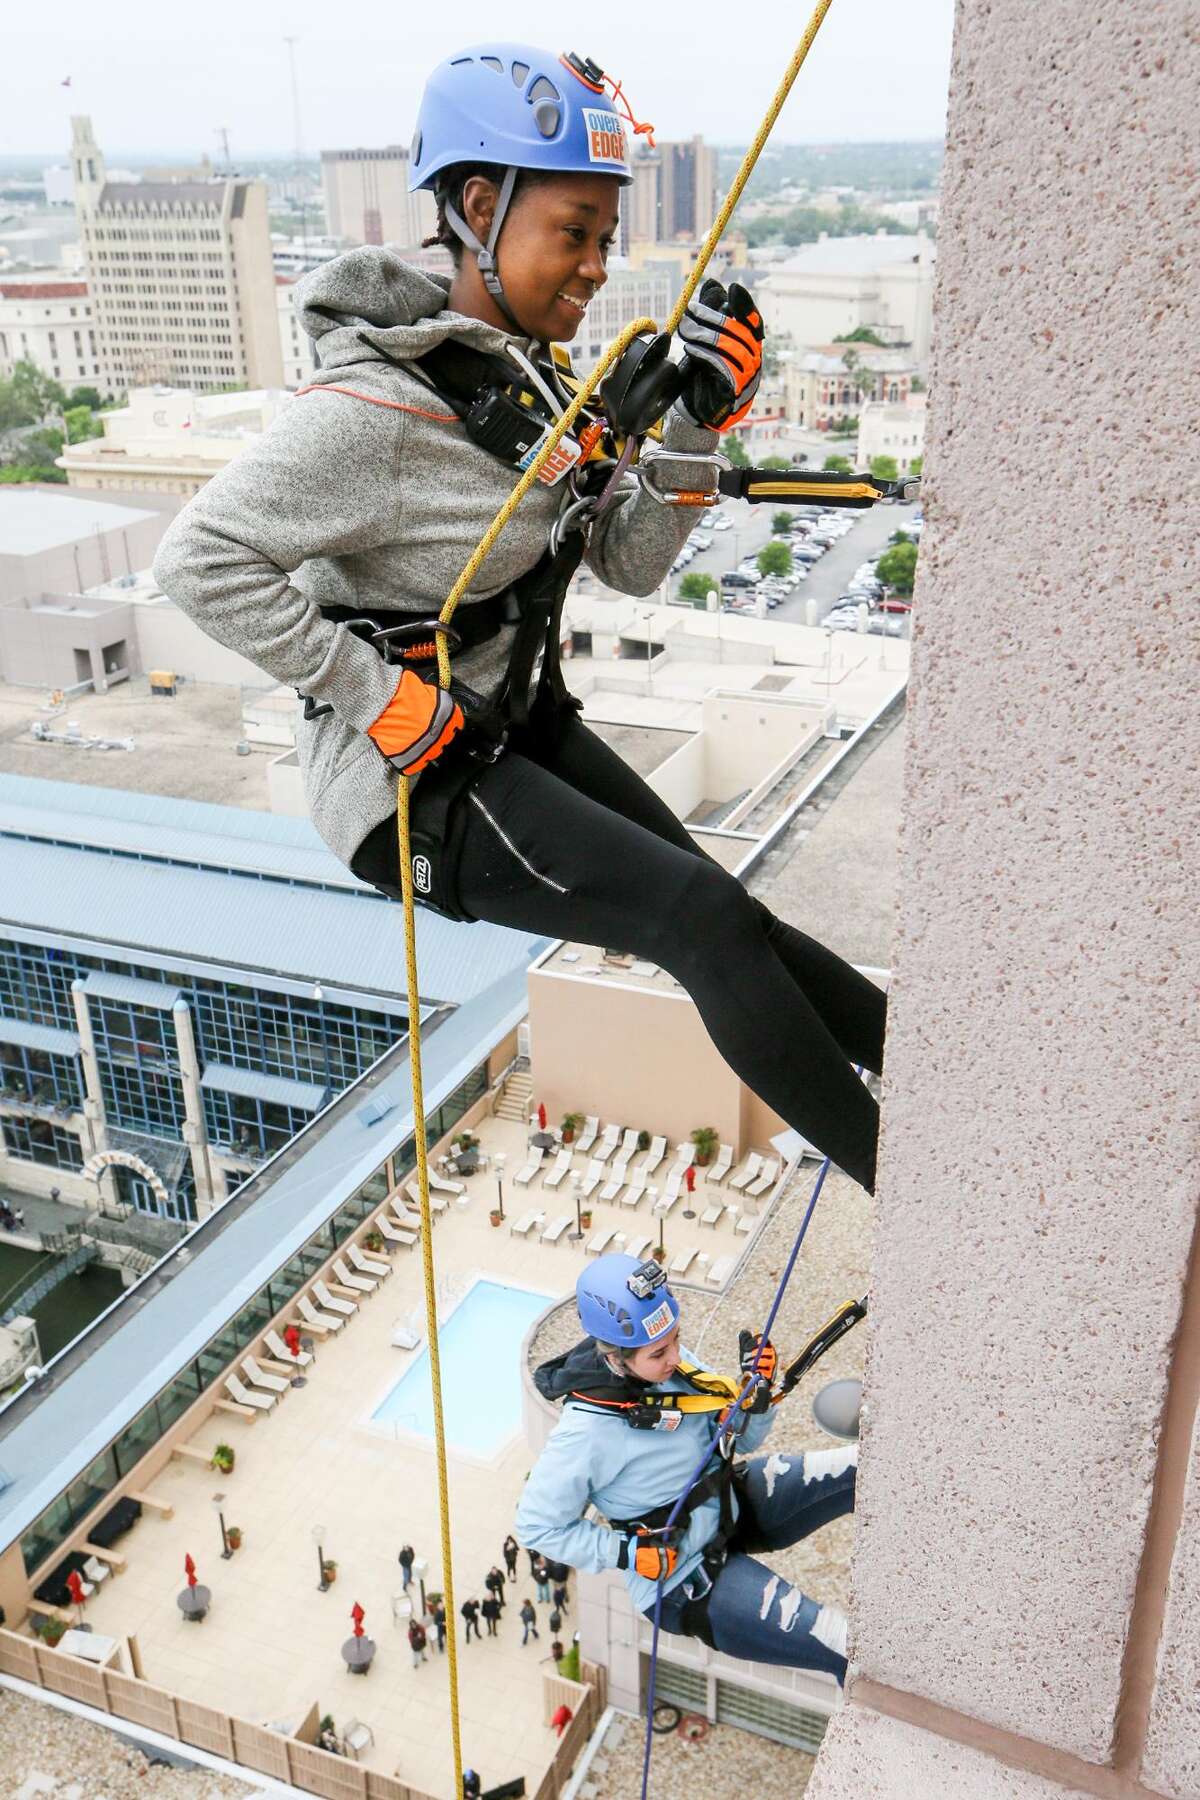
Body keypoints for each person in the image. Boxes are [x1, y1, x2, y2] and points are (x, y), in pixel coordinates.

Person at [150, 40, 886, 1195]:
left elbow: (631, 564)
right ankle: (930, 1183)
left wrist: (693, 429)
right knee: (697, 919)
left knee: (728, 916)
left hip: (506, 722)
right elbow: (197, 559)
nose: (596, 266)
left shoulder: (523, 382)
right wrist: (376, 698)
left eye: (605, 238)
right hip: (411, 780)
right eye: (574, 233)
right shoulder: (375, 409)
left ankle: (947, 1081)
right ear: (482, 208)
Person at [516, 1255, 857, 1682]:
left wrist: (757, 1398)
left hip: (727, 1502)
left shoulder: (669, 1363)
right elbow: (535, 1525)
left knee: (858, 1470)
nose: (676, 1358)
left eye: (677, 1339)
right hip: (680, 1574)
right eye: (659, 1352)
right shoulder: (585, 1434)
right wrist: (625, 1553)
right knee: (842, 1644)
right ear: (616, 1358)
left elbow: (743, 1439)